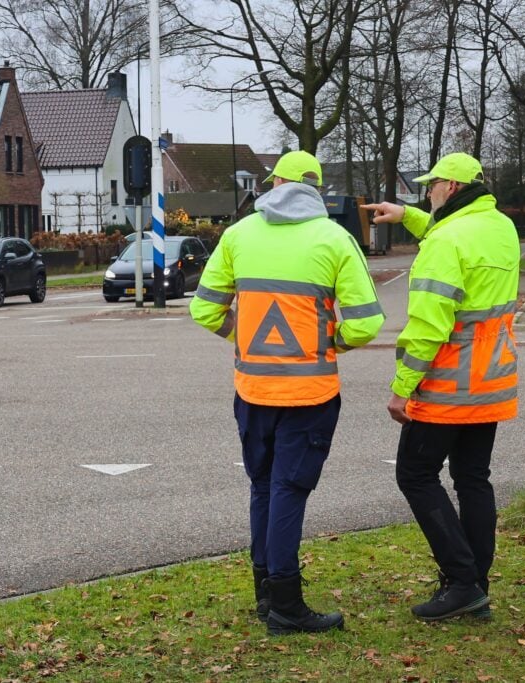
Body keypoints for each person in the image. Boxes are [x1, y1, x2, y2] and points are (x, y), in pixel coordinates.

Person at [190, 150, 385, 635]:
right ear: (316, 189)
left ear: (275, 183)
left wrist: (242, 337)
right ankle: (286, 603)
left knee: (262, 486)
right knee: (289, 490)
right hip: (309, 393)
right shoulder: (334, 239)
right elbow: (365, 325)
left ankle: (264, 592)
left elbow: (204, 310)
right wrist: (330, 341)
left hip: (252, 391)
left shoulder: (237, 235)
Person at [362, 152, 520, 622]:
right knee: (473, 477)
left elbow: (429, 326)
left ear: (449, 186)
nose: (427, 190)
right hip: (491, 379)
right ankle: (476, 583)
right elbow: (451, 233)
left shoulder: (445, 241)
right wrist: (407, 214)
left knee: (414, 474)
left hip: (447, 384)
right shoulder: (500, 228)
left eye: (431, 185)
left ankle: (462, 581)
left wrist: (401, 388)